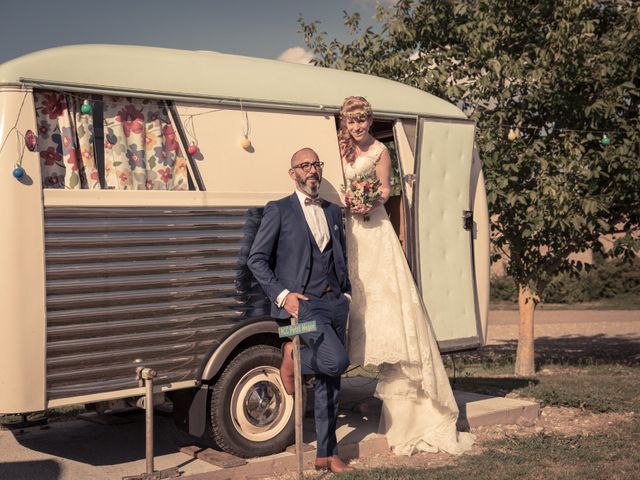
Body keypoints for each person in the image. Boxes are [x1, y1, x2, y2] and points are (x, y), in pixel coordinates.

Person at [338, 96, 475, 456]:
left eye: (363, 121)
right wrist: (349, 204)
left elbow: (385, 190)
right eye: (352, 122)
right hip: (352, 232)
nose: (358, 128)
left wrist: (369, 202)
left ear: (369, 122)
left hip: (375, 228)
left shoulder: (380, 151)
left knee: (389, 303)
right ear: (345, 124)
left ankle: (413, 411)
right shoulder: (341, 150)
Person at [247, 147, 355, 473]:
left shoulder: (333, 211)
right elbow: (256, 259)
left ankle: (326, 453)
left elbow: (340, 255)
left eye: (316, 164)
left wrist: (346, 292)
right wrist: (282, 296)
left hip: (335, 303)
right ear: (292, 172)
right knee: (336, 361)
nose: (312, 170)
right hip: (303, 308)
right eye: (304, 165)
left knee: (330, 378)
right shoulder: (278, 210)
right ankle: (291, 359)